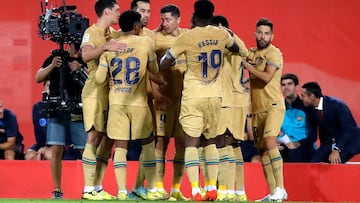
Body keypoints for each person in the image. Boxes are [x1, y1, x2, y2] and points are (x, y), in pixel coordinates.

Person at [159, 0, 241, 201]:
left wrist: (166, 61)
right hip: (214, 96)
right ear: (212, 17)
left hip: (194, 96)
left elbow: (166, 62)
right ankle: (212, 187)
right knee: (212, 141)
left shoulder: (188, 37)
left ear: (194, 17)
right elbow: (236, 48)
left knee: (191, 143)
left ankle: (196, 190)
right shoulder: (221, 34)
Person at [95, 10, 164, 200]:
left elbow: (100, 79)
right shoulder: (145, 43)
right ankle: (151, 190)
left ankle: (122, 191)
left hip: (117, 101)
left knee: (120, 146)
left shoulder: (110, 47)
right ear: (136, 26)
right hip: (139, 102)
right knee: (148, 144)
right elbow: (154, 69)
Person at [80, 0, 125, 200]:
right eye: (116, 10)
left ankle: (97, 187)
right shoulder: (92, 31)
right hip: (94, 92)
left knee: (108, 140)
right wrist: (106, 47)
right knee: (94, 138)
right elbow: (86, 55)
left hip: (110, 94)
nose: (119, 13)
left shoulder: (112, 33)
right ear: (107, 11)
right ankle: (88, 189)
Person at [242, 18, 287, 202]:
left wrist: (247, 66)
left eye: (266, 33)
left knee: (270, 143)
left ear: (272, 36)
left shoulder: (274, 53)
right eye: (260, 32)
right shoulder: (252, 53)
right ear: (255, 34)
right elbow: (240, 53)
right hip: (257, 109)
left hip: (273, 106)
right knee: (261, 151)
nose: (262, 36)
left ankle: (281, 188)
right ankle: (272, 192)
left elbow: (267, 77)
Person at [34, 42, 88, 199]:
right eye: (76, 47)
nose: (78, 51)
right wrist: (52, 66)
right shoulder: (56, 58)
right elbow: (38, 77)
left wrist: (81, 70)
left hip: (79, 108)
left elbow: (94, 82)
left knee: (85, 150)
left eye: (80, 47)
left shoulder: (85, 60)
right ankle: (57, 188)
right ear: (69, 45)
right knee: (57, 148)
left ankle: (90, 187)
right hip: (57, 109)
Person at [151, 4, 189, 201]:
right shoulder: (155, 38)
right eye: (162, 19)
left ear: (178, 19)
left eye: (167, 19)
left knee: (182, 144)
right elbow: (148, 66)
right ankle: (158, 187)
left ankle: (176, 188)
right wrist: (156, 93)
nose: (163, 23)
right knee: (161, 142)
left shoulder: (187, 37)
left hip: (184, 101)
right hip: (164, 100)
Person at [210, 15, 249, 201]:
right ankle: (239, 192)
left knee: (222, 142)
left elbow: (245, 52)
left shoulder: (228, 46)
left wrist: (227, 33)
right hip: (237, 101)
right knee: (233, 144)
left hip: (228, 101)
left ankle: (224, 191)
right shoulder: (232, 46)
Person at [301, 82, 360, 164]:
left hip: (348, 140)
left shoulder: (336, 105)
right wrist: (299, 145)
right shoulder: (310, 110)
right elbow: (312, 134)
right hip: (329, 142)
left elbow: (348, 129)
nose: (301, 99)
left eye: (303, 96)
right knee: (313, 162)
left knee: (333, 162)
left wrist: (337, 149)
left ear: (312, 96)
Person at [278, 73, 317, 162]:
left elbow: (313, 135)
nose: (286, 87)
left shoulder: (307, 107)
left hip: (304, 146)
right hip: (286, 145)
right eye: (283, 85)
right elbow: (274, 132)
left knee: (294, 154)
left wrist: (298, 143)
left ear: (296, 87)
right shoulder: (278, 108)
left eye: (289, 84)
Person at [25, 80, 52, 160]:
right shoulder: (37, 107)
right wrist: (42, 147)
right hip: (41, 144)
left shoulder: (62, 107)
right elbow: (38, 132)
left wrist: (47, 148)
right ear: (43, 88)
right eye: (48, 86)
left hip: (58, 146)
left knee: (48, 155)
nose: (51, 89)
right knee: (29, 156)